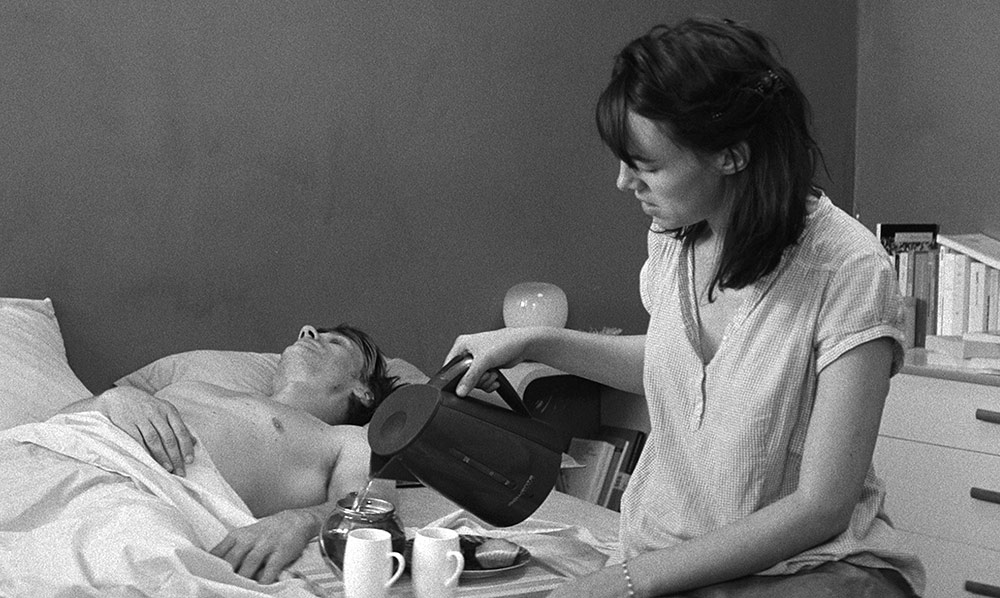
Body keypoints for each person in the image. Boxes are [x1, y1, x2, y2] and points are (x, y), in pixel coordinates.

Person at [446, 16, 924, 598]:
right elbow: (681, 365)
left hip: (814, 569)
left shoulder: (849, 269)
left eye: (646, 165)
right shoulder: (674, 237)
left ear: (731, 156)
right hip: (674, 558)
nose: (624, 182)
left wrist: (628, 581)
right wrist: (534, 343)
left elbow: (821, 507)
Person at [54, 323, 401, 585]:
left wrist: (300, 520)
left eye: (335, 341)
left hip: (138, 506)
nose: (308, 331)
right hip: (63, 458)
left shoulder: (345, 439)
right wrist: (110, 400)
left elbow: (368, 509)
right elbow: (51, 423)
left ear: (364, 390)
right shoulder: (191, 387)